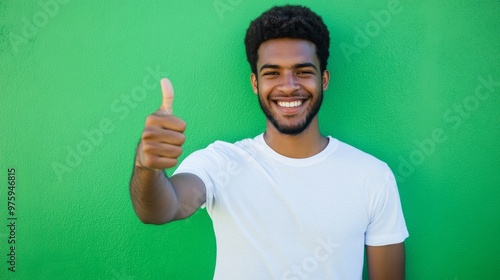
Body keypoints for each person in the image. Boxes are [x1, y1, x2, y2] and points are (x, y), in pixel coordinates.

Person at [130, 5, 408, 280]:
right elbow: (160, 210)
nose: (288, 86)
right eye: (272, 73)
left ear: (323, 80)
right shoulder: (220, 163)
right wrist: (146, 166)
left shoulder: (372, 176)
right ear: (255, 83)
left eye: (302, 71)